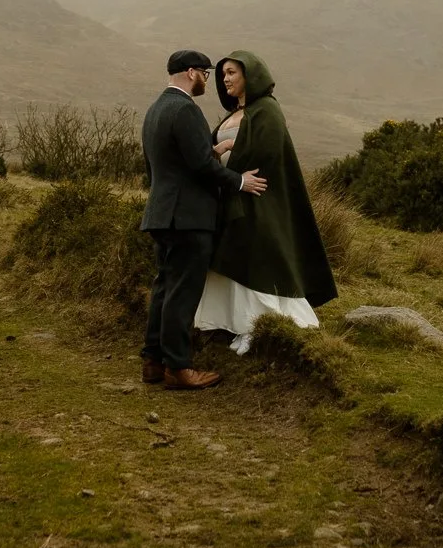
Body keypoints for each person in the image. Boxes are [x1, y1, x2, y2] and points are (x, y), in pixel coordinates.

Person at [140, 50, 268, 390]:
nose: (209, 82)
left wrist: (216, 149)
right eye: (207, 75)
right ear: (193, 73)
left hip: (161, 212)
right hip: (189, 217)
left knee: (164, 289)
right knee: (182, 293)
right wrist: (240, 181)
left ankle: (152, 362)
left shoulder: (156, 110)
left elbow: (163, 164)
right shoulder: (185, 109)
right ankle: (178, 368)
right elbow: (199, 166)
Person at [195, 51, 337, 351]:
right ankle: (232, 323)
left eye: (232, 73)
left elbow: (269, 150)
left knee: (258, 259)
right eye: (223, 75)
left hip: (258, 195)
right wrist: (218, 154)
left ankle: (258, 325)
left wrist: (237, 149)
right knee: (233, 257)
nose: (226, 79)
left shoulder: (267, 110)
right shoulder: (234, 113)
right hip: (232, 194)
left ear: (250, 75)